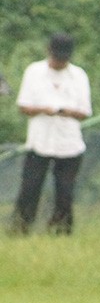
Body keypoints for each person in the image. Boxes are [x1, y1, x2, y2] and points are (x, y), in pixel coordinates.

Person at [8, 32, 91, 236]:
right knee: (30, 188)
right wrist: (43, 110)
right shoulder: (34, 72)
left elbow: (85, 112)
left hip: (68, 143)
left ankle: (61, 230)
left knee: (64, 192)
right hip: (39, 141)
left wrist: (64, 111)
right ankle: (21, 229)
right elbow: (23, 106)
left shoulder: (78, 76)